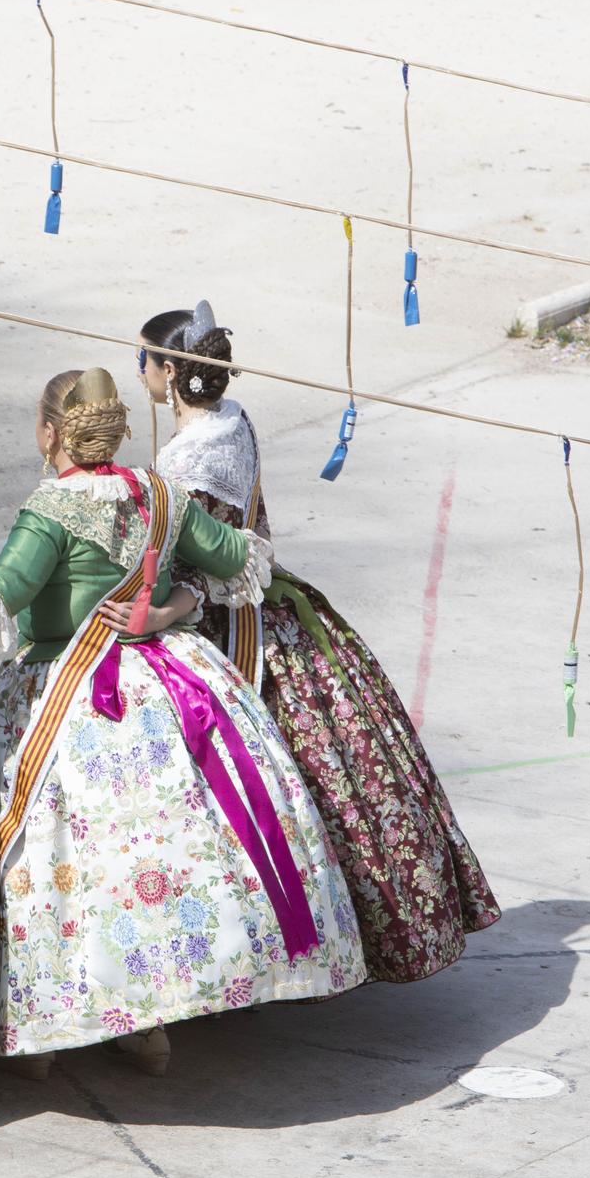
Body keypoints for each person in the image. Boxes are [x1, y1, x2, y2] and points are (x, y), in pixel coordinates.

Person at [0, 368, 366, 1079]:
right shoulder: (159, 492)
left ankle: (49, 1034)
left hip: (67, 688)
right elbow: (242, 557)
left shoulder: (51, 507)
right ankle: (148, 1031)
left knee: (51, 857)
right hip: (170, 681)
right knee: (156, 857)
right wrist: (172, 609)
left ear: (49, 431)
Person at [140, 302, 500, 981]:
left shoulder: (189, 456)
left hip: (227, 625)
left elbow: (207, 564)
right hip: (278, 605)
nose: (139, 376)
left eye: (143, 362)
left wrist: (163, 614)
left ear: (169, 371)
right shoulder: (232, 417)